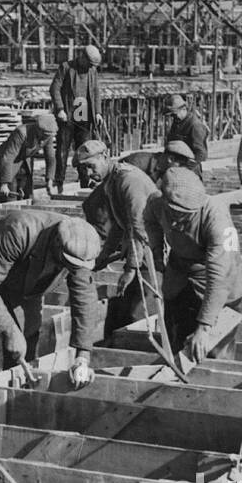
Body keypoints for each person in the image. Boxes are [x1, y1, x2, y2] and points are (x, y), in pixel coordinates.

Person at [0, 209, 101, 384]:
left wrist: (82, 356)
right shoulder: (18, 229)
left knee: (27, 340)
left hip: (23, 282)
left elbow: (85, 298)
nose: (71, 269)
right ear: (56, 243)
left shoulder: (80, 249)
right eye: (67, 263)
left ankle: (19, 390)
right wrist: (9, 330)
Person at [144, 168, 242, 362]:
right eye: (174, 213)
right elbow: (149, 221)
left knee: (213, 356)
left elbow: (220, 277)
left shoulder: (216, 218)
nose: (177, 221)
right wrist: (157, 251)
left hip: (219, 289)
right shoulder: (156, 203)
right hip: (180, 281)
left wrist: (204, 326)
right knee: (175, 350)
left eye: (185, 216)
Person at [74, 140, 162, 338]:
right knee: (118, 313)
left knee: (138, 314)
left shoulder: (128, 180)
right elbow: (118, 226)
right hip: (139, 250)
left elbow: (139, 227)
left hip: (153, 253)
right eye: (84, 168)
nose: (88, 173)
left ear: (105, 157)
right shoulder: (111, 181)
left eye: (91, 166)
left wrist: (131, 269)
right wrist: (102, 257)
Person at [49, 44, 101, 192]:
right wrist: (59, 109)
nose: (90, 67)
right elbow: (54, 88)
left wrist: (97, 112)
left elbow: (96, 92)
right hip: (67, 115)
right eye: (89, 64)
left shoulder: (92, 71)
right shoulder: (66, 67)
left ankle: (85, 181)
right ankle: (58, 181)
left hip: (83, 115)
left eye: (93, 65)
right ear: (82, 57)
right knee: (62, 150)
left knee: (84, 150)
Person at [0, 112, 58, 202]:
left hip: (25, 161)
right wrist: (4, 183)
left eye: (48, 136)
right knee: (9, 196)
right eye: (44, 135)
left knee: (27, 195)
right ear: (38, 130)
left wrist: (50, 181)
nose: (45, 138)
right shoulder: (21, 132)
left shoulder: (47, 136)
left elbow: (51, 158)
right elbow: (8, 157)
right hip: (8, 162)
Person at [165, 94, 209, 165]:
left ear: (184, 109)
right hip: (175, 161)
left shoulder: (195, 125)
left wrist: (188, 167)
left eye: (175, 114)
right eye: (172, 115)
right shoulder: (177, 122)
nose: (173, 117)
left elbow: (201, 155)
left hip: (189, 165)